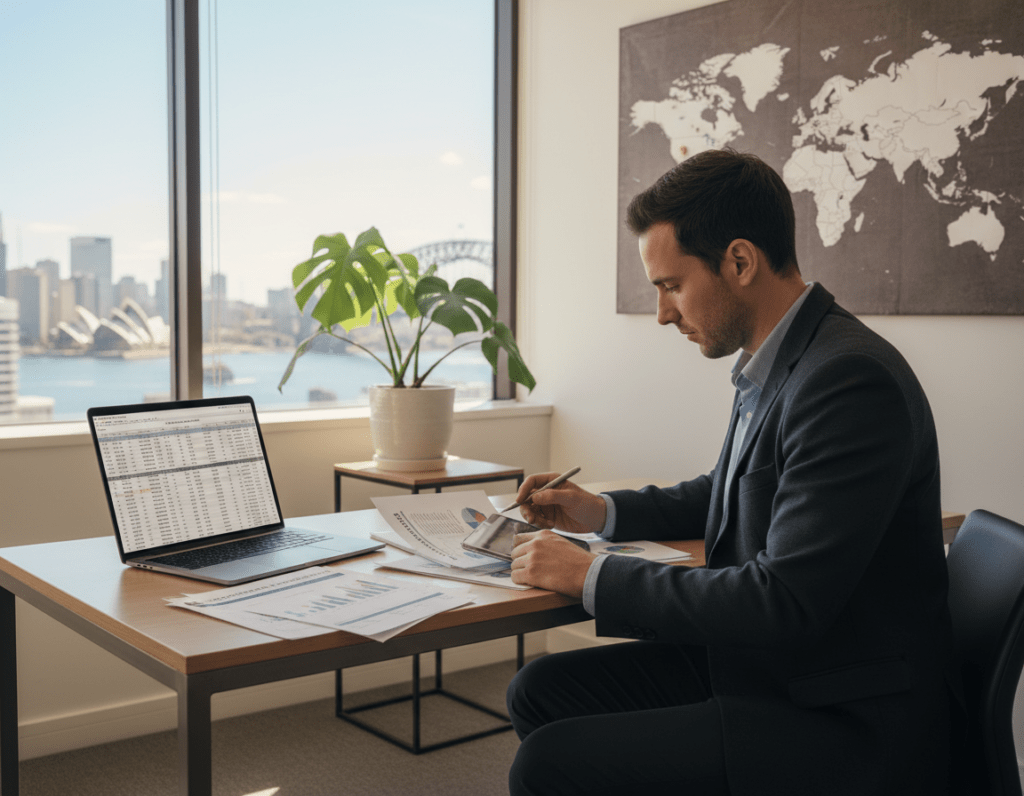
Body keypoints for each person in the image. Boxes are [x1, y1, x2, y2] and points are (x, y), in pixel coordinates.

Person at [505, 149, 956, 796]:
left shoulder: (848, 380)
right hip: (776, 670)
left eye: (670, 285)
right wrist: (598, 512)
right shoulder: (784, 362)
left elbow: (784, 601)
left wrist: (591, 575)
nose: (662, 313)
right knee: (540, 690)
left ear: (739, 262)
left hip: (839, 714)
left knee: (547, 763)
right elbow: (730, 489)